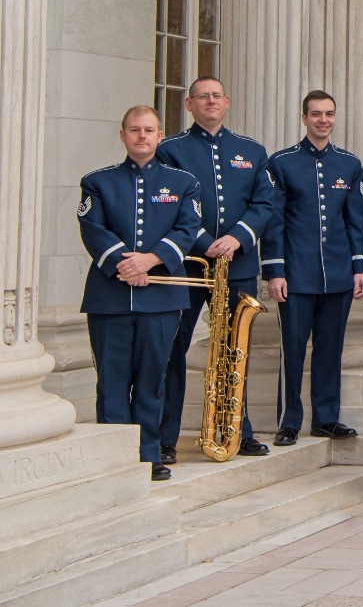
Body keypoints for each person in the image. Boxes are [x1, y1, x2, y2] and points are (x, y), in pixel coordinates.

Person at [78, 106, 204, 480]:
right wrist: (124, 264)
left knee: (152, 380)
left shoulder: (184, 183)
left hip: (162, 298)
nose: (142, 136)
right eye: (135, 130)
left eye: (149, 130)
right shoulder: (97, 182)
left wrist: (150, 260)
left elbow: (188, 229)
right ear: (123, 135)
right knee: (113, 382)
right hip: (109, 298)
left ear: (160, 135)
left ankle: (150, 455)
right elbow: (92, 228)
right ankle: (114, 459)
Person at [156, 77, 277, 461]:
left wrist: (238, 237)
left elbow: (264, 203)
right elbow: (170, 205)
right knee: (174, 349)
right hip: (188, 265)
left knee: (234, 350)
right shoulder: (170, 150)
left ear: (227, 102)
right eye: (201, 97)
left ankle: (238, 433)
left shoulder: (251, 150)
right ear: (189, 105)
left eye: (216, 96)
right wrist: (204, 241)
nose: (210, 101)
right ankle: (164, 439)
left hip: (238, 264)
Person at [264, 90, 363, 446]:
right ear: (304, 117)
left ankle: (326, 417)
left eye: (329, 114)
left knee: (330, 348)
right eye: (316, 113)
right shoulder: (281, 162)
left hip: (338, 273)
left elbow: (355, 220)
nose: (323, 119)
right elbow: (273, 221)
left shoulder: (350, 164)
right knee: (292, 349)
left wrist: (359, 267)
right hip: (295, 274)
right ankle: (289, 420)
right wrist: (274, 270)